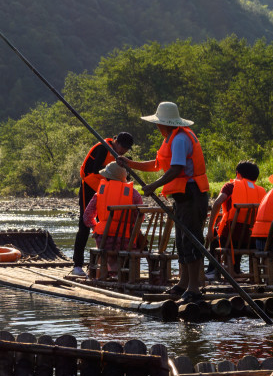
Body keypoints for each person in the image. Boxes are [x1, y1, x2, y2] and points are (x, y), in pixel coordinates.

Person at [126, 101, 209, 302]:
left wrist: (154, 186)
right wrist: (129, 163)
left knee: (191, 240)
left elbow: (176, 169)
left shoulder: (180, 139)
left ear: (164, 124)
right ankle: (183, 284)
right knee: (181, 240)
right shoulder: (171, 138)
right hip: (182, 196)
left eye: (158, 123)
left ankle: (194, 288)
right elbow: (157, 165)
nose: (157, 127)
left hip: (192, 194)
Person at [70, 132, 134, 276]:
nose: (123, 150)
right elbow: (94, 170)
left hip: (108, 190)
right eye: (122, 146)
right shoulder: (103, 148)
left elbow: (125, 175)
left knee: (108, 225)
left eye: (127, 148)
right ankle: (77, 265)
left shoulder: (121, 155)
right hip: (90, 187)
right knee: (84, 225)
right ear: (115, 141)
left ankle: (108, 267)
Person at [206, 161, 266, 279]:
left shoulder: (230, 186)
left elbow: (217, 203)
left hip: (230, 239)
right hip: (252, 240)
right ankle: (236, 269)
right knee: (239, 230)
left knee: (214, 233)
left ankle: (212, 270)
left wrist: (209, 228)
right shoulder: (262, 192)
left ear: (238, 174)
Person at [83, 162, 144, 277]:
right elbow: (139, 217)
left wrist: (95, 228)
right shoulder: (134, 194)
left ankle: (103, 274)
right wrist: (132, 230)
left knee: (102, 245)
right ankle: (120, 273)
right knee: (133, 240)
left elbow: (87, 217)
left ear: (107, 177)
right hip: (126, 240)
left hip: (104, 239)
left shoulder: (100, 193)